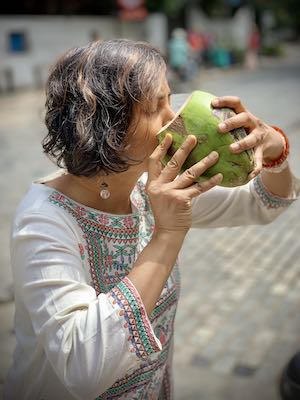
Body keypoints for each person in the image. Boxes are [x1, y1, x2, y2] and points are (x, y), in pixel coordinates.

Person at [4, 39, 300, 400]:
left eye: (169, 99)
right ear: (106, 129)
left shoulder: (149, 186)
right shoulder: (44, 221)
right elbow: (83, 368)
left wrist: (273, 147)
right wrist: (168, 233)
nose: (173, 117)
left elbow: (265, 202)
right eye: (155, 107)